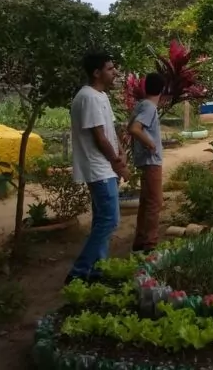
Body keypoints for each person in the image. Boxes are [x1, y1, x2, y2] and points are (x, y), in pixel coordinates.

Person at [66, 51, 128, 285]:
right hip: (98, 168)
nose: (115, 73)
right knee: (109, 221)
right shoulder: (89, 97)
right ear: (96, 72)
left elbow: (110, 131)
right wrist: (117, 163)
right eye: (110, 69)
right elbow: (99, 137)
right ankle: (79, 272)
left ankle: (97, 271)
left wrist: (121, 151)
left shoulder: (100, 96)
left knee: (102, 219)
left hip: (106, 167)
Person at [127, 72, 165, 253]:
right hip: (151, 161)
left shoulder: (141, 105)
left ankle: (140, 242)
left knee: (146, 201)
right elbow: (135, 129)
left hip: (144, 160)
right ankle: (150, 246)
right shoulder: (150, 107)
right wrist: (150, 144)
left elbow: (129, 126)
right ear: (163, 90)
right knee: (155, 202)